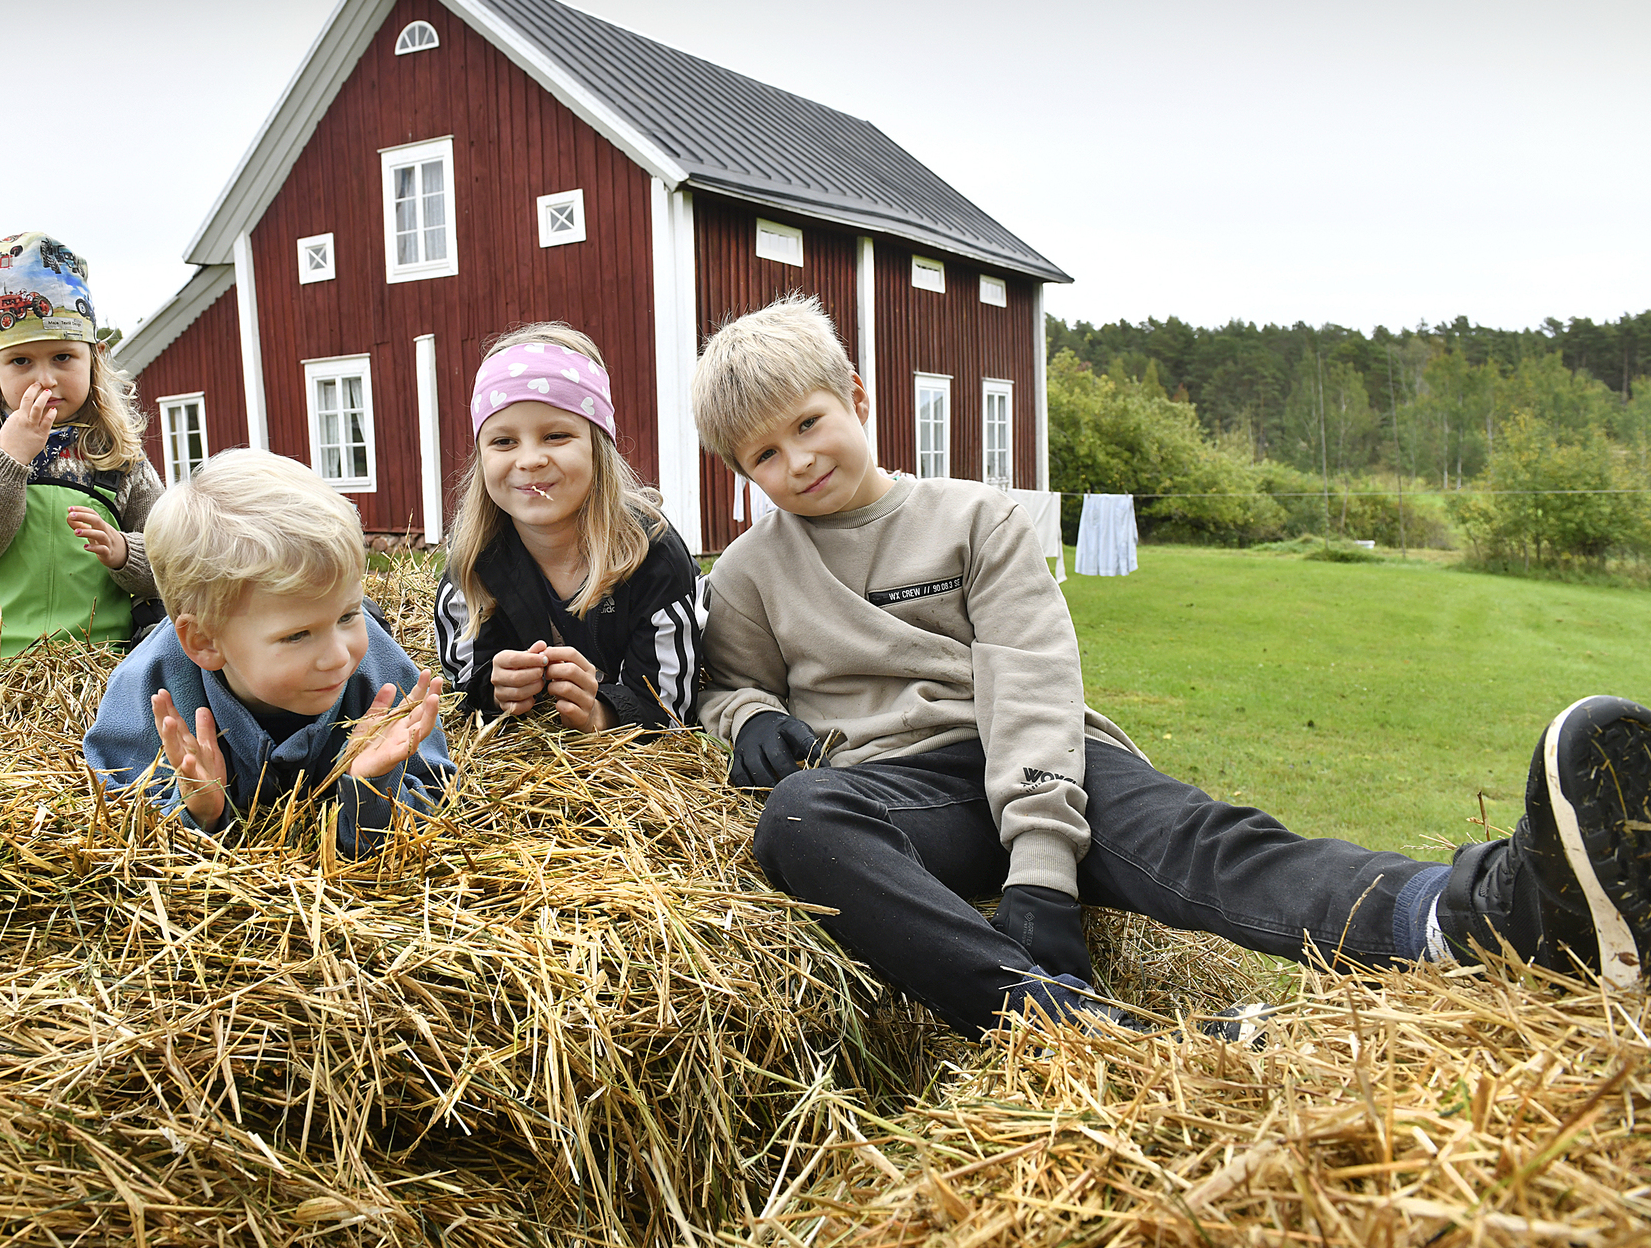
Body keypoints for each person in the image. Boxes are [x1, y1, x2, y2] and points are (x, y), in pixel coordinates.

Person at [691, 294, 1651, 1036]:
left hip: (1047, 761)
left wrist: (1038, 871)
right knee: (802, 819)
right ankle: (1048, 1020)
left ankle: (1477, 914)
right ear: (745, 475)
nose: (798, 462)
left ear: (857, 399)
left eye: (809, 424)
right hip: (906, 795)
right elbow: (725, 685)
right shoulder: (746, 574)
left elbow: (1030, 679)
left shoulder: (978, 519)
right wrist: (745, 717)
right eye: (764, 455)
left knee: (1213, 844)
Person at [83, 450, 452, 853]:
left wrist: (373, 789)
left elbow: (434, 796)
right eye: (298, 635)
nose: (338, 657)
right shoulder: (151, 692)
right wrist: (196, 813)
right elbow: (117, 814)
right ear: (205, 642)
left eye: (347, 615)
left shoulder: (382, 678)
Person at [434, 323, 704, 732]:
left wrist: (604, 712)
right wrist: (493, 691)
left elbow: (670, 703)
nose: (530, 460)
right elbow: (461, 688)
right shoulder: (473, 564)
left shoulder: (653, 555)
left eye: (556, 435)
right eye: (503, 442)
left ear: (598, 445)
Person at [0, 231, 163, 682]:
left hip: (98, 664)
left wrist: (123, 553)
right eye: (20, 362)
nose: (46, 379)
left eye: (62, 357)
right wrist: (8, 459)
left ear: (94, 358)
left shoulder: (116, 451)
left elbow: (171, 559)